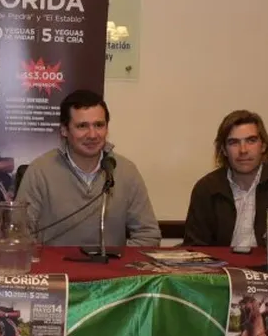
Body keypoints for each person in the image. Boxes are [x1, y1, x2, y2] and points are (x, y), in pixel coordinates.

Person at [15, 89, 161, 248]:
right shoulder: (40, 171)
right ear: (64, 130)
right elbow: (18, 234)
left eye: (99, 125)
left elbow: (148, 235)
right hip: (56, 270)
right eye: (82, 126)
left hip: (110, 269)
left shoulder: (125, 170)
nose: (92, 135)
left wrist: (117, 262)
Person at [182, 109, 268, 254]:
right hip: (225, 271)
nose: (243, 150)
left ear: (263, 145)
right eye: (234, 143)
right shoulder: (207, 188)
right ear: (224, 150)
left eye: (251, 141)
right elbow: (194, 247)